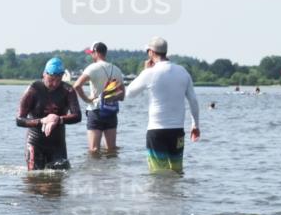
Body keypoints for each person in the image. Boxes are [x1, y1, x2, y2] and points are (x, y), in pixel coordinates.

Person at [124, 36, 200, 173]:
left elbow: (129, 93)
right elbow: (193, 101)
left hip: (156, 131)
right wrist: (195, 125)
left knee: (158, 174)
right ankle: (175, 195)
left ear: (151, 52)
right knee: (177, 172)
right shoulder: (183, 71)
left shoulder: (150, 72)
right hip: (177, 131)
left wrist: (144, 71)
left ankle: (161, 196)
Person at [16, 57, 82, 170]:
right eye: (51, 79)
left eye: (58, 79)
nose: (55, 83)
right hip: (35, 142)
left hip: (57, 144)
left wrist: (58, 119)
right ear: (44, 74)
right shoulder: (33, 90)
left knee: (58, 181)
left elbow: (77, 116)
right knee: (35, 180)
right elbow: (19, 120)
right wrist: (42, 121)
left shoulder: (68, 90)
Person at [72, 41, 125, 154]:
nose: (91, 55)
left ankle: (95, 172)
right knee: (111, 149)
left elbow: (76, 86)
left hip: (95, 111)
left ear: (96, 53)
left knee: (94, 150)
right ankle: (111, 171)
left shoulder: (92, 68)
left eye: (91, 53)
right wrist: (111, 98)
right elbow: (122, 96)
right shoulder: (116, 70)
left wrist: (87, 99)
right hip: (111, 112)